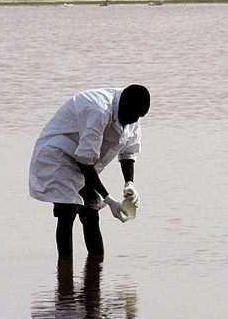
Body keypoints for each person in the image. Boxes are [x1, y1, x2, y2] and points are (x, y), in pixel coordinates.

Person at [28, 85, 150, 258]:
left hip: (83, 157)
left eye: (139, 117)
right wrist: (109, 199)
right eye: (133, 116)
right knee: (68, 211)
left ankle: (95, 272)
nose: (134, 120)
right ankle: (65, 271)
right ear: (123, 104)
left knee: (91, 210)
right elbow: (84, 162)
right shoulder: (99, 110)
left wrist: (129, 183)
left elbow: (128, 151)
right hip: (58, 154)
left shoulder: (133, 113)